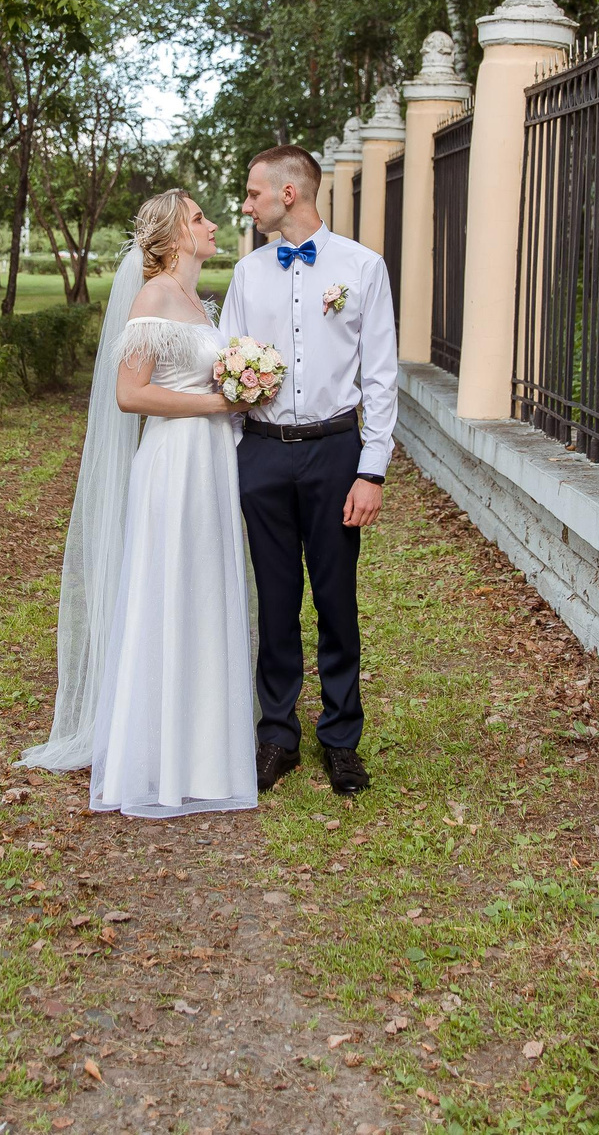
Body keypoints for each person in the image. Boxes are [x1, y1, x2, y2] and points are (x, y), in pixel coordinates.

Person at [25, 189, 257, 818]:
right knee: (169, 586)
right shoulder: (154, 295)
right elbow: (131, 393)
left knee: (204, 588)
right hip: (174, 462)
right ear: (177, 234)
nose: (212, 225)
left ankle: (206, 753)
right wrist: (219, 403)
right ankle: (156, 756)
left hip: (209, 461)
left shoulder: (197, 302)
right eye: (201, 218)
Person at [219, 145, 396, 797]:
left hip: (334, 452)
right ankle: (276, 736)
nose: (246, 202)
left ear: (288, 193)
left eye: (253, 191)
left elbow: (379, 375)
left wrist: (370, 469)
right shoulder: (248, 274)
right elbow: (229, 368)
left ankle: (342, 740)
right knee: (275, 597)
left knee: (335, 597)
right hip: (262, 450)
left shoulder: (362, 267)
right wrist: (235, 459)